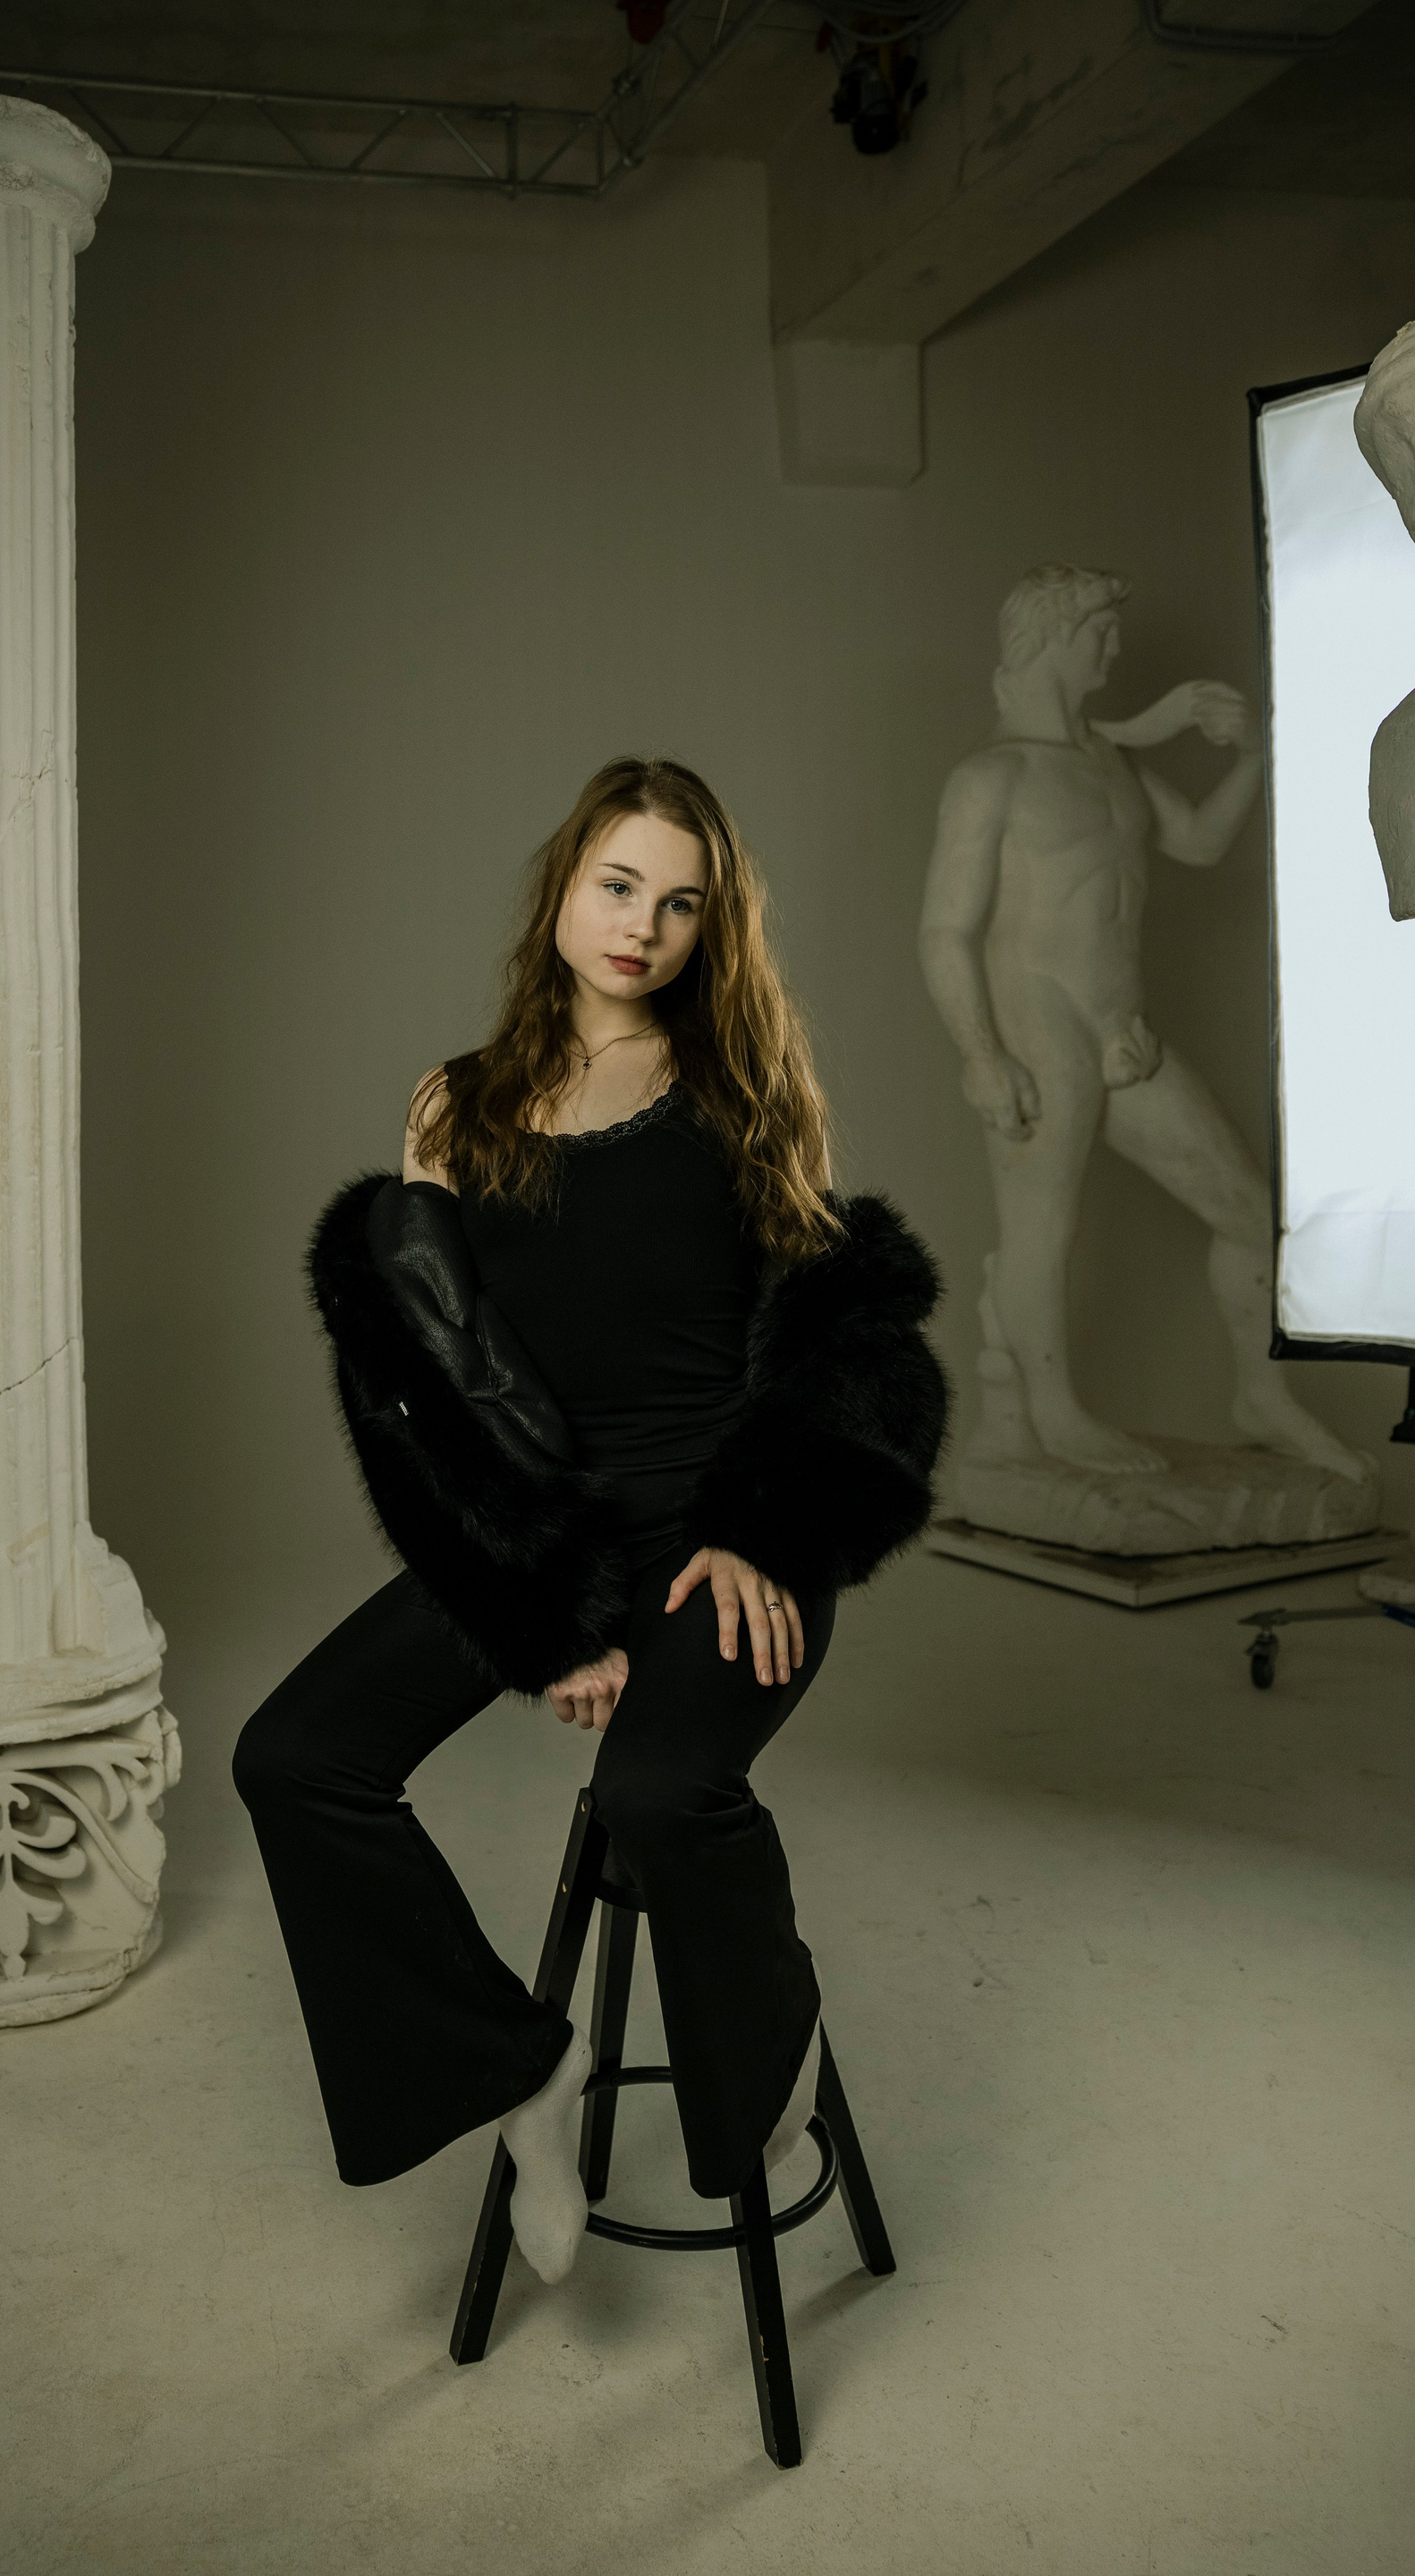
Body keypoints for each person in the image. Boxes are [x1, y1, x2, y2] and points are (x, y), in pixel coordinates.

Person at [233, 755, 948, 2289]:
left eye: (681, 905)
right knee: (293, 1758)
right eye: (620, 886)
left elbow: (848, 1350)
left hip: (720, 1537)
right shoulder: (458, 1102)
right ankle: (521, 2072)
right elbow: (432, 1393)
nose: (643, 927)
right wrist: (539, 1611)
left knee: (658, 1789)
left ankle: (770, 2061)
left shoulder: (747, 1096)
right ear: (563, 886)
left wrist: (767, 1533)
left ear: (710, 929)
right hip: (539, 1532)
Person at [919, 563, 1365, 1483]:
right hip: (1038, 1019)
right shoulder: (990, 777)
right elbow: (944, 929)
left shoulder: (1109, 762)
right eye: (1101, 632)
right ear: (1053, 637)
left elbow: (1197, 841)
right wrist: (981, 1054)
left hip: (1124, 1027)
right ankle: (1053, 1414)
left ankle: (1260, 1395)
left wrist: (1253, 755)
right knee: (1042, 1226)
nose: (1116, 649)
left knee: (1249, 1212)